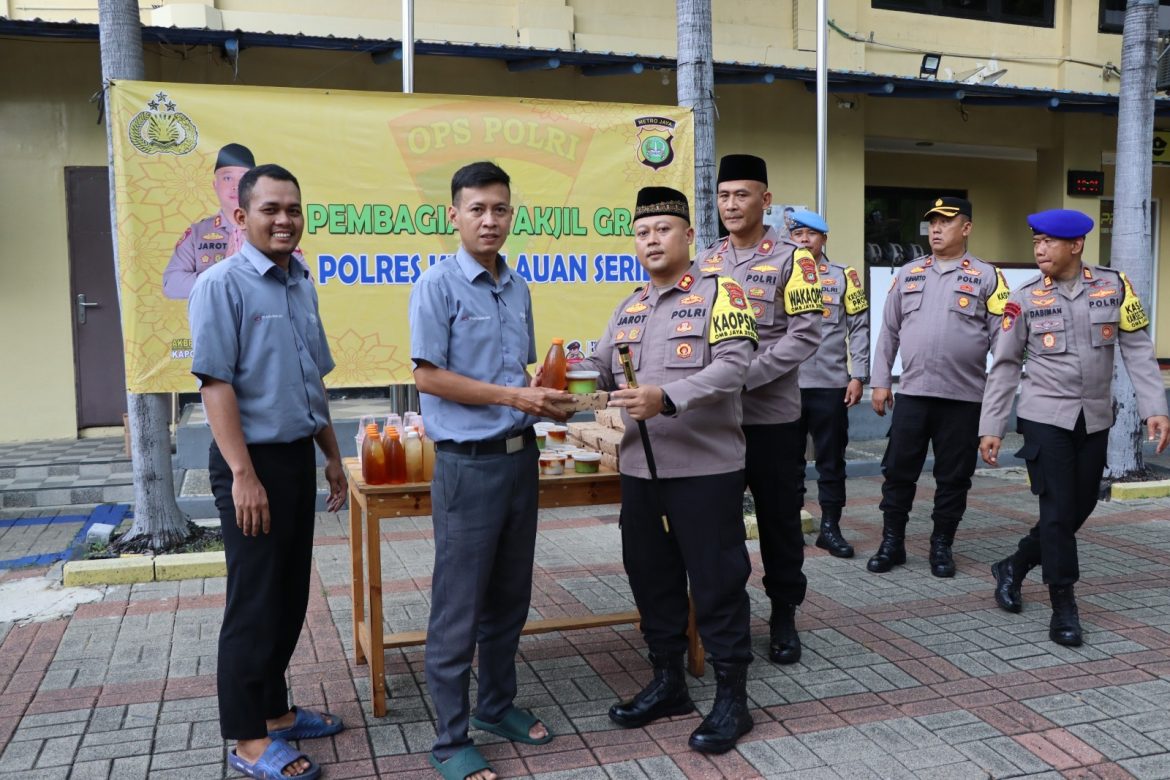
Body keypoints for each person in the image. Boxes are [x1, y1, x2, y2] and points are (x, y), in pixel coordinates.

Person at [578, 186, 759, 754]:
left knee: (717, 583)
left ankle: (733, 698)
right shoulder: (628, 305)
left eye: (662, 230)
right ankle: (669, 682)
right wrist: (569, 370)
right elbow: (601, 368)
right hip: (641, 472)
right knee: (651, 579)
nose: (651, 240)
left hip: (705, 471)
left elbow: (735, 367)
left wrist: (668, 397)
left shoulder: (721, 293)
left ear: (687, 237)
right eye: (642, 232)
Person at [408, 161, 570, 780]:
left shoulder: (518, 286)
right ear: (454, 215)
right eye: (476, 209)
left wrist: (548, 394)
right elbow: (428, 377)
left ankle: (495, 706)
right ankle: (449, 740)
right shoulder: (438, 285)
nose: (489, 220)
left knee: (509, 599)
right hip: (466, 468)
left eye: (500, 209)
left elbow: (518, 378)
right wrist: (514, 399)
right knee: (458, 608)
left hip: (518, 461)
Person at [189, 164, 347, 780]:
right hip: (247, 464)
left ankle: (277, 712)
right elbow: (215, 384)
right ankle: (248, 737)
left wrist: (332, 455)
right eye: (270, 209)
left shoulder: (301, 283)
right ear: (241, 217)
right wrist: (242, 474)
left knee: (289, 596)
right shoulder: (221, 285)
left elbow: (314, 383)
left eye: (293, 209)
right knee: (253, 603)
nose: (284, 220)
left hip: (295, 458)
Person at [979, 209, 1170, 646]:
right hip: (1045, 418)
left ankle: (1014, 565)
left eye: (1048, 242)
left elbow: (1138, 349)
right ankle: (1063, 605)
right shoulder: (1023, 298)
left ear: (1076, 245)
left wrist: (1154, 407)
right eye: (1036, 242)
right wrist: (991, 425)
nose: (1040, 249)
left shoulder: (1113, 286)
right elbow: (1006, 365)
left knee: (1077, 507)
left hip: (1096, 418)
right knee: (1057, 510)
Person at [695, 155, 822, 664]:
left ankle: (785, 614)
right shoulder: (705, 261)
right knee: (719, 523)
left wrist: (742, 377)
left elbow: (806, 333)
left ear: (765, 201)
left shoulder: (795, 259)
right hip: (716, 422)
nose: (731, 205)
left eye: (741, 195)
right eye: (724, 196)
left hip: (771, 419)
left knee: (778, 523)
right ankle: (729, 617)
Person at [870, 196, 1009, 577]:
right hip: (913, 394)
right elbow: (889, 332)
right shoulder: (910, 272)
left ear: (966, 228)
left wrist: (996, 409)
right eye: (932, 222)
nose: (935, 228)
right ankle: (892, 543)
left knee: (953, 478)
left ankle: (942, 545)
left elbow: (1004, 346)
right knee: (898, 472)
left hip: (963, 399)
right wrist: (880, 381)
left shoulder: (988, 277)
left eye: (945, 222)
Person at [790, 209, 870, 558]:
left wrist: (859, 375)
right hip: (786, 387)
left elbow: (860, 327)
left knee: (831, 461)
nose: (804, 240)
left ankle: (830, 528)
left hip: (830, 384)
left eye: (811, 234)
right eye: (798, 234)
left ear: (824, 239)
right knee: (787, 463)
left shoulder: (844, 277)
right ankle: (791, 528)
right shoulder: (780, 276)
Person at [165, 143, 254, 299]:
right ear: (215, 185)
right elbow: (171, 285)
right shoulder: (197, 233)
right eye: (227, 178)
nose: (236, 186)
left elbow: (304, 280)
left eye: (244, 178)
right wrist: (223, 276)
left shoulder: (273, 229)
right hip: (213, 321)